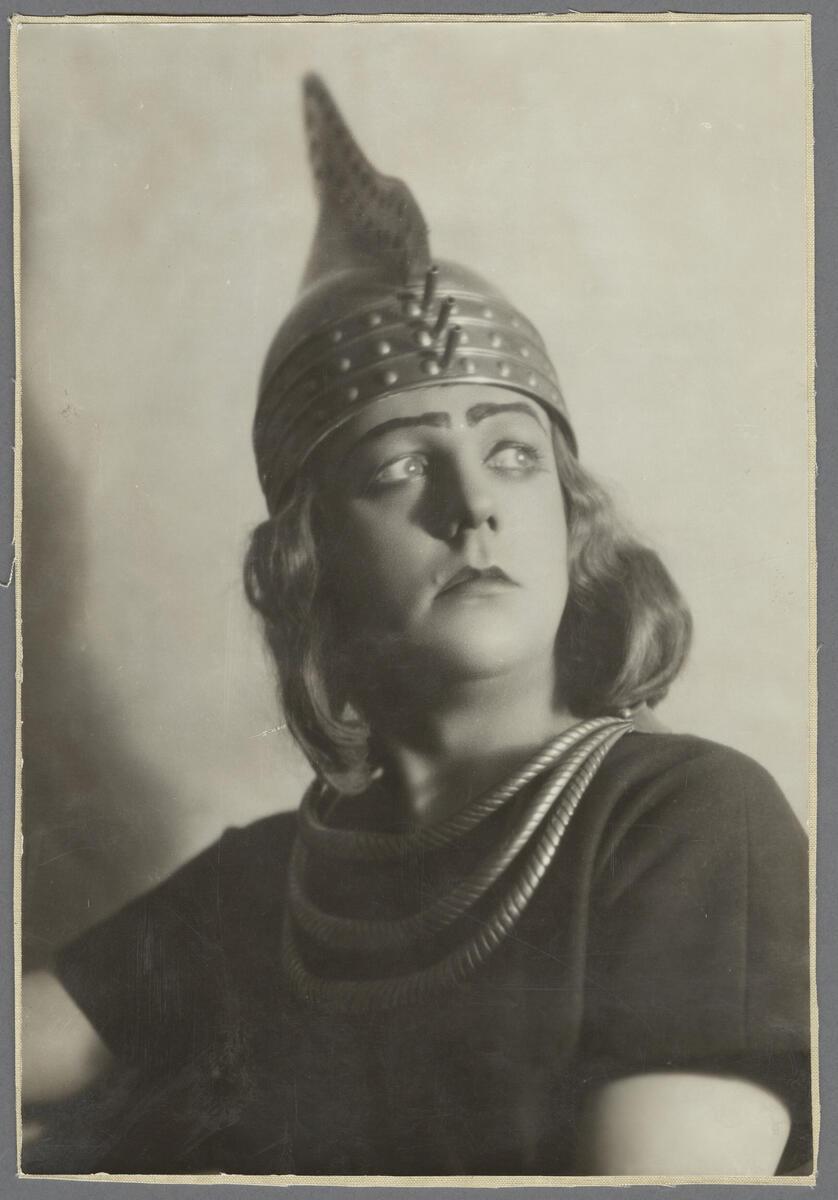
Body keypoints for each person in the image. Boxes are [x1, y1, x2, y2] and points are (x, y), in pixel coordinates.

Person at [21, 74, 811, 1177]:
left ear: (570, 519)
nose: (473, 503)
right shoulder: (272, 881)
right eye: (400, 467)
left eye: (513, 454)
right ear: (310, 558)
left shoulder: (683, 819)